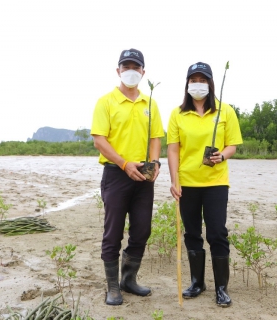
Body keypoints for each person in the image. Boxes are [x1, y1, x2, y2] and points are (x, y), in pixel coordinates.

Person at [91, 48, 164, 305]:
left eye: (136, 67)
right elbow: (99, 140)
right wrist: (123, 164)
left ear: (143, 72)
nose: (131, 71)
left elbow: (156, 138)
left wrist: (154, 162)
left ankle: (129, 280)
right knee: (113, 232)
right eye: (126, 66)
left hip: (144, 176)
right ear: (118, 70)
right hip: (116, 174)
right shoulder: (106, 102)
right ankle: (112, 287)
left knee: (142, 229)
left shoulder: (150, 103)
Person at [167, 62, 242, 307]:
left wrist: (222, 155)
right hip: (187, 183)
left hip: (216, 182)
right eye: (193, 79)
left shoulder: (225, 111)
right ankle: (197, 282)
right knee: (192, 233)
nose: (198, 84)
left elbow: (232, 144)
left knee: (217, 232)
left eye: (203, 79)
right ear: (187, 84)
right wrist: (175, 181)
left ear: (210, 83)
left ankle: (221, 287)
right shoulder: (178, 114)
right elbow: (173, 151)